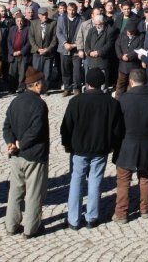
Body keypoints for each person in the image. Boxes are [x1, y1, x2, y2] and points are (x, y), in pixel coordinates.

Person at [61, 68, 123, 230]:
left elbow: (66, 127)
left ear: (87, 83)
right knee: (95, 182)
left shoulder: (76, 101)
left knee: (76, 181)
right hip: (100, 149)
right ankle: (92, 217)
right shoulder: (112, 103)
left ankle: (73, 220)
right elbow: (117, 130)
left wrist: (67, 145)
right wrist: (112, 146)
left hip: (79, 149)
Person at [3, 67, 49, 238]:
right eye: (43, 82)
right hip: (34, 156)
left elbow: (6, 125)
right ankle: (31, 229)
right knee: (34, 193)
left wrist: (11, 143)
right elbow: (36, 130)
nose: (44, 85)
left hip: (16, 156)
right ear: (36, 85)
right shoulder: (39, 105)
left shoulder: (15, 101)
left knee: (15, 192)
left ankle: (11, 226)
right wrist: (20, 144)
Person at [112, 69, 148, 223]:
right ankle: (145, 209)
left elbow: (117, 124)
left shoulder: (124, 99)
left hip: (126, 144)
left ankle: (121, 213)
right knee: (145, 177)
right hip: (145, 143)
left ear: (131, 82)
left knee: (123, 180)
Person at [57, 3, 83, 96]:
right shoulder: (61, 19)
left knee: (77, 70)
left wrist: (75, 45)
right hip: (65, 48)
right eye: (69, 10)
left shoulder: (81, 19)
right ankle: (67, 88)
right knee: (65, 69)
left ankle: (77, 88)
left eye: (73, 10)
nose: (71, 12)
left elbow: (83, 33)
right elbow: (58, 32)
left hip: (76, 48)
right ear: (66, 10)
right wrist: (65, 43)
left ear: (76, 10)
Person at [114, 20, 143, 95]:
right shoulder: (122, 35)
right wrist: (121, 56)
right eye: (128, 31)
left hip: (133, 66)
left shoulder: (141, 37)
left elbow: (139, 49)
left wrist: (129, 57)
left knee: (132, 87)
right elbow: (117, 45)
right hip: (122, 66)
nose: (129, 33)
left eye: (131, 31)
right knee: (120, 86)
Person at [7, 14, 31, 93]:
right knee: (12, 73)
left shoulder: (27, 29)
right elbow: (9, 41)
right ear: (15, 21)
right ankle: (12, 88)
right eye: (18, 21)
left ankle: (21, 88)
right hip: (13, 55)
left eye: (21, 21)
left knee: (22, 73)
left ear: (23, 21)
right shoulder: (12, 29)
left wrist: (21, 51)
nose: (19, 23)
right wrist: (12, 52)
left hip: (22, 55)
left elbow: (29, 42)